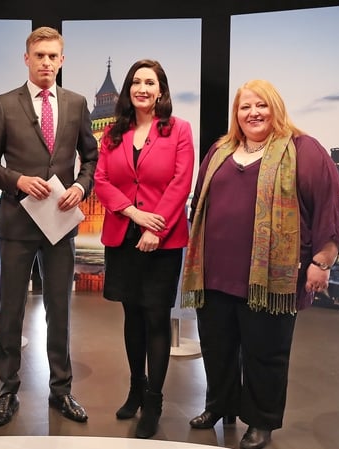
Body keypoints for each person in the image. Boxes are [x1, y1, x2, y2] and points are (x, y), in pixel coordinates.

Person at [182, 79, 339, 449]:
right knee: (217, 347)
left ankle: (261, 422)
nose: (253, 113)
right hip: (214, 274)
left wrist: (322, 260)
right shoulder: (221, 149)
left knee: (265, 352)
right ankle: (219, 405)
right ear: (236, 115)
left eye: (261, 106)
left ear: (276, 108)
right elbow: (199, 205)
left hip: (270, 280)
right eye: (245, 107)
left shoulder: (304, 150)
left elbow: (328, 209)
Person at [0, 26, 98, 427]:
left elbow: (91, 158)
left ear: (62, 60)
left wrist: (81, 188)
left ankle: (61, 391)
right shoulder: (3, 104)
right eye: (40, 55)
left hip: (60, 224)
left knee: (59, 310)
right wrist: (16, 180)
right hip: (17, 223)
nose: (46, 62)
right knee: (10, 310)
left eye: (53, 56)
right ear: (26, 59)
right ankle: (7, 392)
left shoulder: (78, 103)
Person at [93, 59, 194, 438]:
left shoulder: (178, 129)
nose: (142, 88)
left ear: (161, 90)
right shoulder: (113, 134)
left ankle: (154, 398)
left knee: (155, 317)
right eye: (136, 82)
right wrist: (133, 213)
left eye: (150, 82)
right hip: (123, 234)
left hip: (161, 238)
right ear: (127, 90)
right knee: (131, 316)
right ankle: (135, 388)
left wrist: (158, 225)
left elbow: (181, 182)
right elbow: (102, 180)